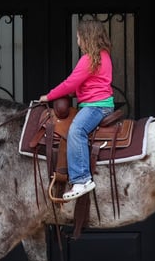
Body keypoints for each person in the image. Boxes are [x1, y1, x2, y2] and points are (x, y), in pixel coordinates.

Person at [40, 20, 114, 201]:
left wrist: (49, 96)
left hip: (96, 106)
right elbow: (93, 83)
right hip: (101, 104)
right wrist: (78, 92)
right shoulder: (103, 56)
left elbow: (70, 83)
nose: (78, 41)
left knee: (76, 130)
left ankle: (82, 180)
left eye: (79, 37)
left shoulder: (88, 59)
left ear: (87, 37)